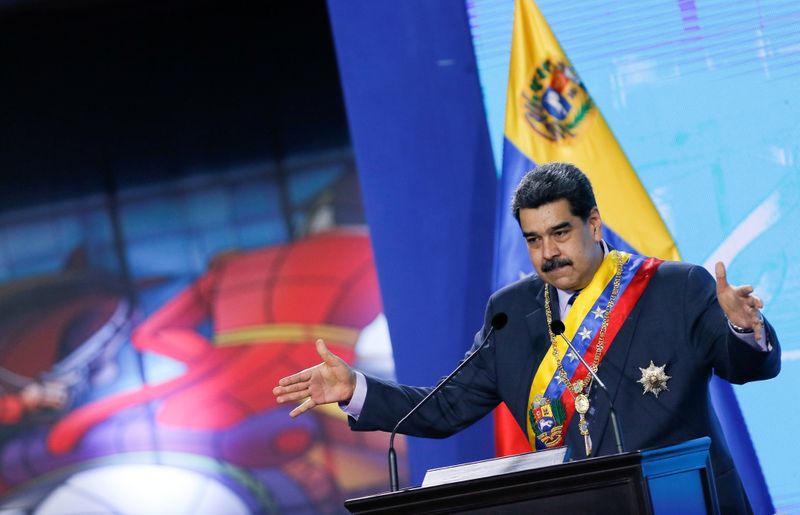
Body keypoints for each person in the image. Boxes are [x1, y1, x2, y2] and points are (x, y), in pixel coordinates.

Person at [273, 162, 780, 514]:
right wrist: (355, 389)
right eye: (534, 240)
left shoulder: (674, 286)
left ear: (595, 223)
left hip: (686, 504)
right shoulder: (511, 313)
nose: (548, 253)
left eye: (561, 233)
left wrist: (743, 326)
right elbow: (446, 407)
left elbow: (749, 367)